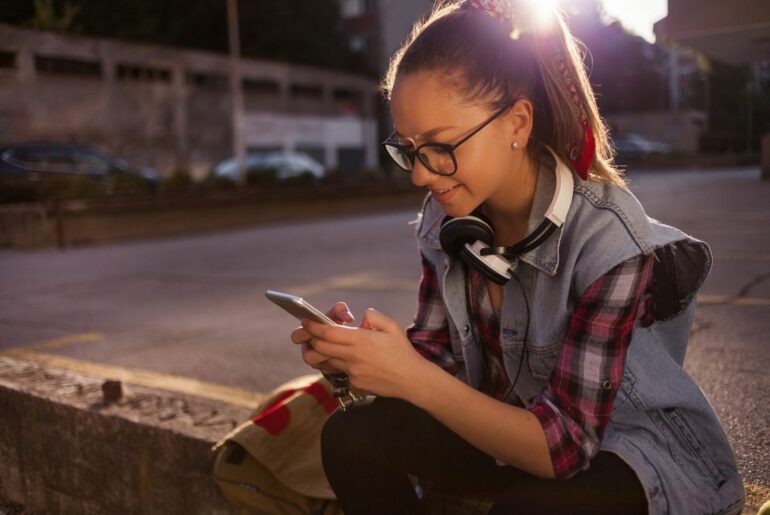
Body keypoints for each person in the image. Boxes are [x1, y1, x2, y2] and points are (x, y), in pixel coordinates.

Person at [289, 0, 745, 513]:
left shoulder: (609, 244)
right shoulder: (446, 218)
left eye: (439, 145)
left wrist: (410, 376)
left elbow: (566, 445)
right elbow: (436, 359)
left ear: (517, 123)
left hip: (632, 458)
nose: (420, 173)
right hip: (510, 431)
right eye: (409, 149)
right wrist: (358, 360)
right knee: (350, 437)